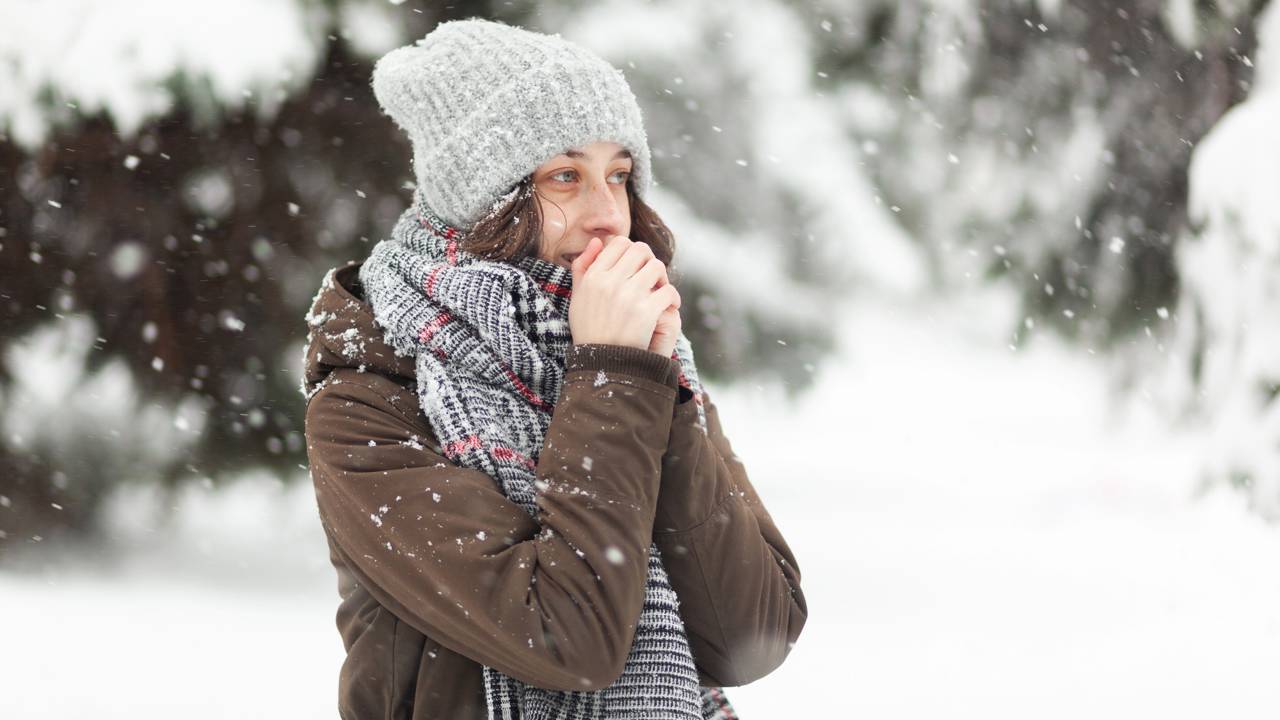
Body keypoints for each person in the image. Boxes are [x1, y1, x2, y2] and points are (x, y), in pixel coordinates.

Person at [301, 18, 807, 720]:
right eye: (565, 176)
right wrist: (614, 378)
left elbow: (752, 638)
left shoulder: (637, 359)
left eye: (619, 176)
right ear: (482, 196)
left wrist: (653, 385)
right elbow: (570, 640)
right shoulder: (368, 402)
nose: (609, 216)